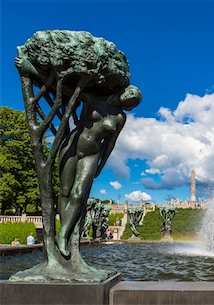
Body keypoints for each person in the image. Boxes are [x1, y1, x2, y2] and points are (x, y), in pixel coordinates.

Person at [15, 54, 142, 257]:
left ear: (131, 105)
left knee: (79, 194)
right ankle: (59, 236)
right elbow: (66, 90)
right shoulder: (96, 100)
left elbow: (110, 143)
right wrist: (31, 69)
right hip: (72, 146)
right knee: (64, 193)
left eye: (135, 99)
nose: (132, 97)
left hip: (92, 154)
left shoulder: (120, 118)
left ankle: (63, 235)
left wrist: (101, 165)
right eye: (132, 93)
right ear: (125, 91)